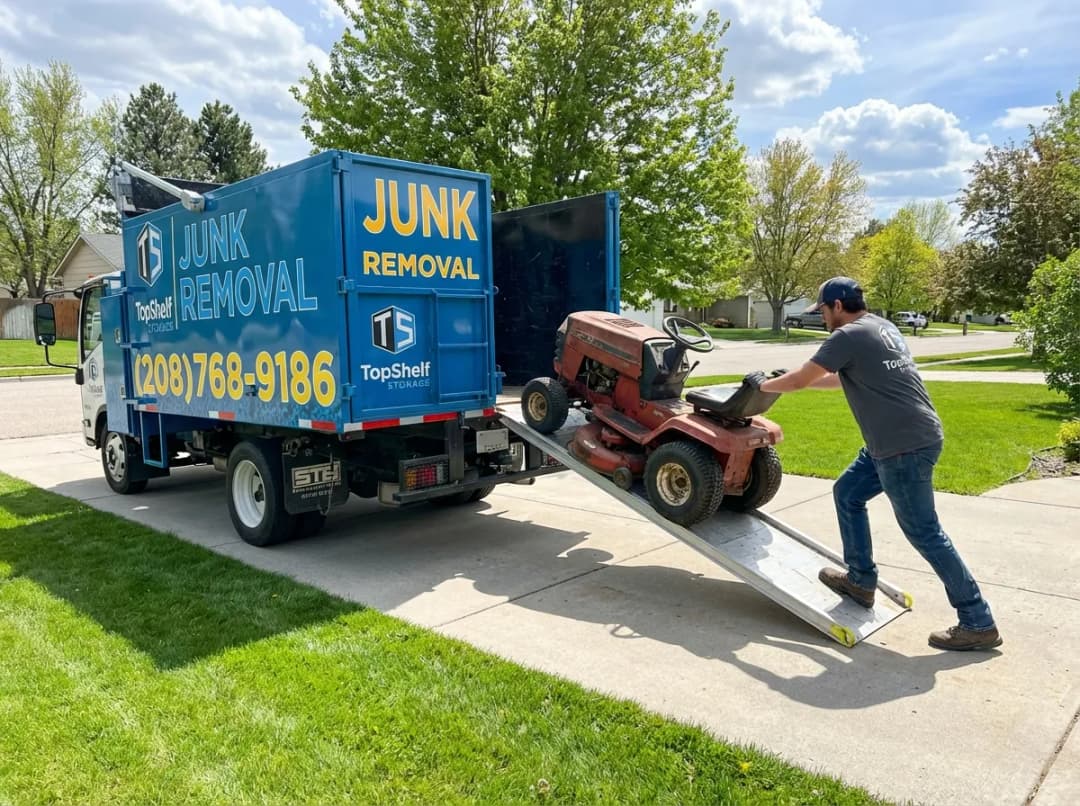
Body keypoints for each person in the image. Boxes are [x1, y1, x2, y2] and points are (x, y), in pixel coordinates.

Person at [758, 277, 1001, 651]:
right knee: (848, 493)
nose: (822, 317)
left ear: (837, 306)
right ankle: (860, 581)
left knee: (924, 532)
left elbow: (799, 380)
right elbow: (840, 380)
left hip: (901, 446)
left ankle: (977, 620)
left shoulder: (847, 336)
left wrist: (759, 386)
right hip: (903, 438)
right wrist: (792, 382)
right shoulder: (881, 327)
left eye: (822, 310)